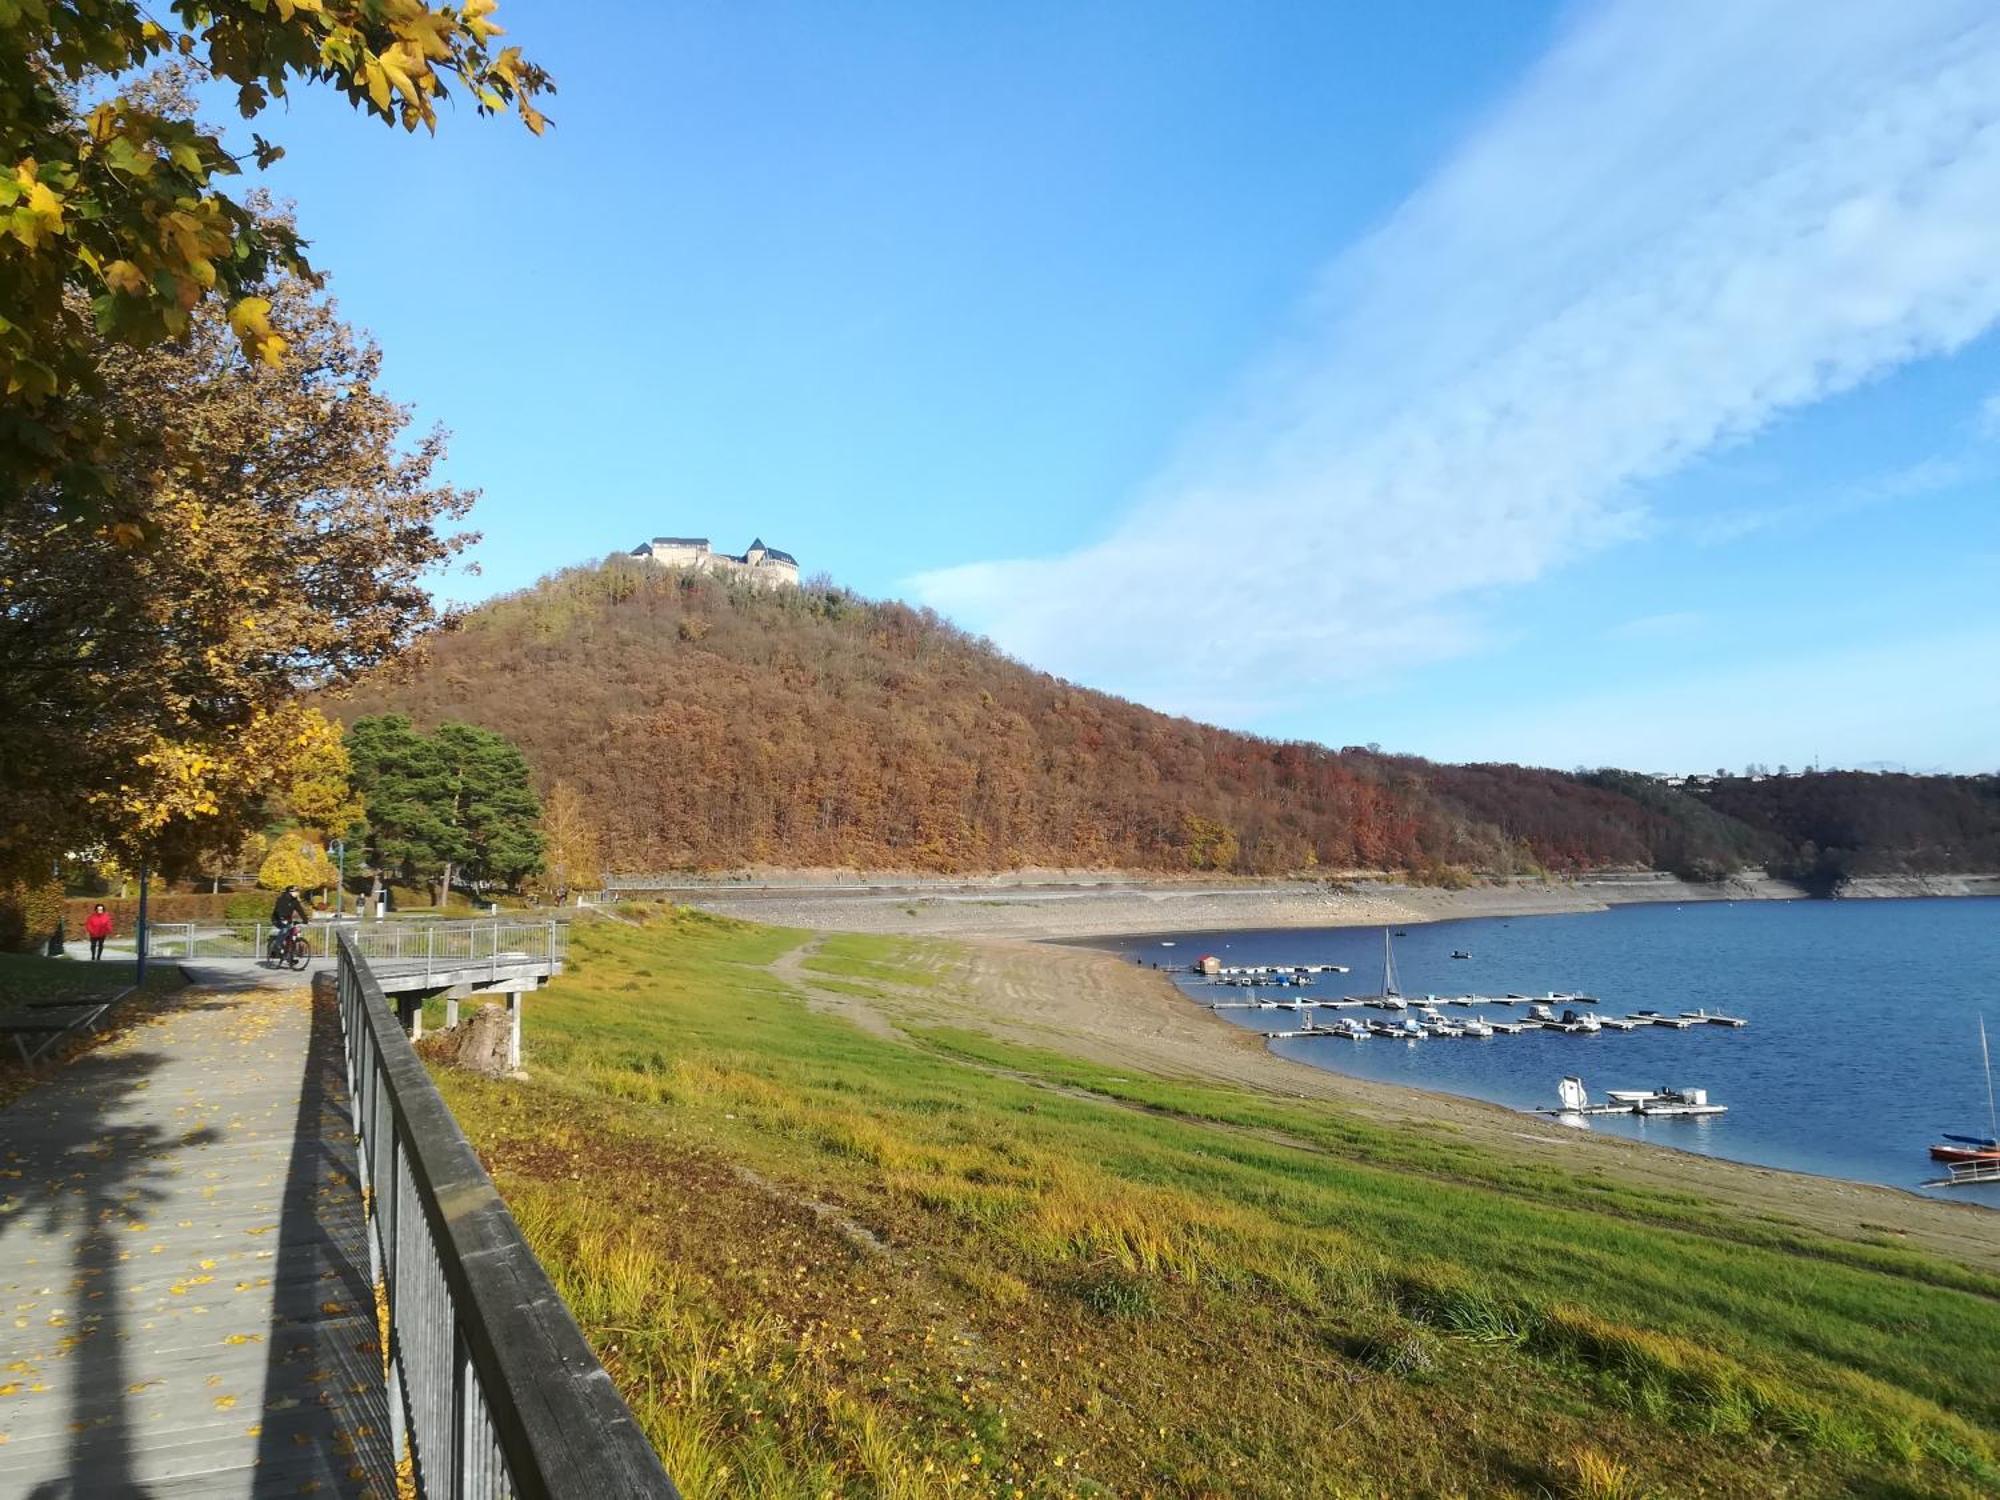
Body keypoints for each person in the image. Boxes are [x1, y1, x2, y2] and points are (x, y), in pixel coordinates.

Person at [269, 885, 309, 958]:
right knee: (285, 929)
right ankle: (277, 944)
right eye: (296, 891)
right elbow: (279, 909)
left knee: (294, 932)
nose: (297, 893)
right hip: (277, 919)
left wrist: (305, 919)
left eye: (298, 891)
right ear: (290, 892)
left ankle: (289, 954)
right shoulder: (282, 899)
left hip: (288, 919)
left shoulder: (295, 901)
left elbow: (300, 911)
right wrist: (282, 918)